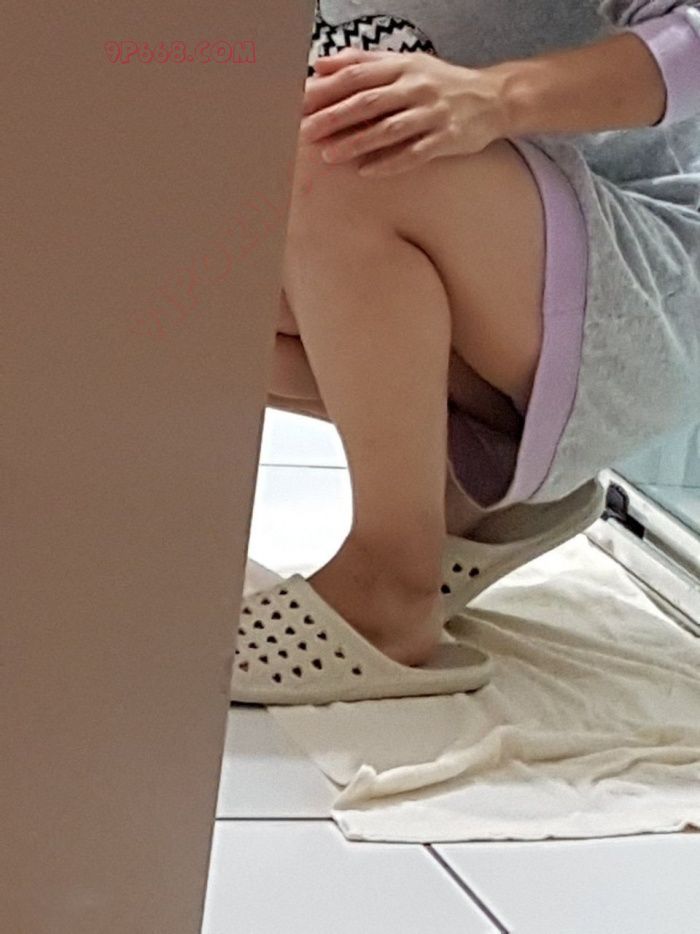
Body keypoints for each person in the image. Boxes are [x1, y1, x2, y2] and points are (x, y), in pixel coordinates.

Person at [234, 1, 700, 703]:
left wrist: (495, 96)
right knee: (168, 283)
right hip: (506, 256)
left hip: (650, 278)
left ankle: (391, 590)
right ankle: (479, 484)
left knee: (346, 155)